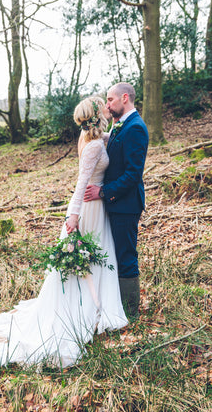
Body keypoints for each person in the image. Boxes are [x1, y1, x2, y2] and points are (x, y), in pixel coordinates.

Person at [0, 96, 128, 369]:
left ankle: (95, 306)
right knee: (93, 258)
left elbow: (108, 138)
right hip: (88, 208)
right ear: (96, 115)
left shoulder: (91, 139)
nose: (107, 108)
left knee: (94, 259)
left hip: (95, 206)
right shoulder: (93, 145)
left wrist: (116, 131)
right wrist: (73, 216)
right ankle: (89, 309)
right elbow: (82, 181)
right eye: (102, 106)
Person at [84, 83, 149, 317]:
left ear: (124, 98)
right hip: (115, 202)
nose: (108, 104)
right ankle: (116, 306)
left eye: (110, 100)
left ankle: (131, 313)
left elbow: (133, 174)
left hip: (126, 204)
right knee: (117, 253)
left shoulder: (136, 128)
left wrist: (102, 192)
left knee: (126, 255)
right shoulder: (121, 125)